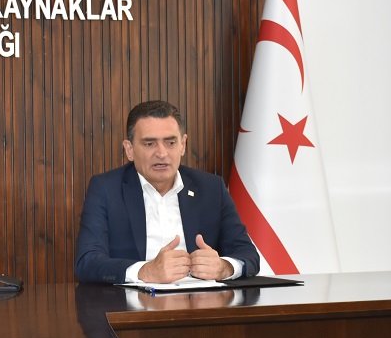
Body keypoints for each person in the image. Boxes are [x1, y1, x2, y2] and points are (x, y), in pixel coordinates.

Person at [75, 100, 260, 284]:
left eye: (170, 142)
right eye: (149, 144)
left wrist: (224, 267)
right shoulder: (106, 189)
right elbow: (87, 261)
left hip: (200, 299)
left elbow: (248, 254)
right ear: (129, 149)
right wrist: (145, 271)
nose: (162, 153)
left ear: (183, 145)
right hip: (133, 301)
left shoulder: (211, 188)